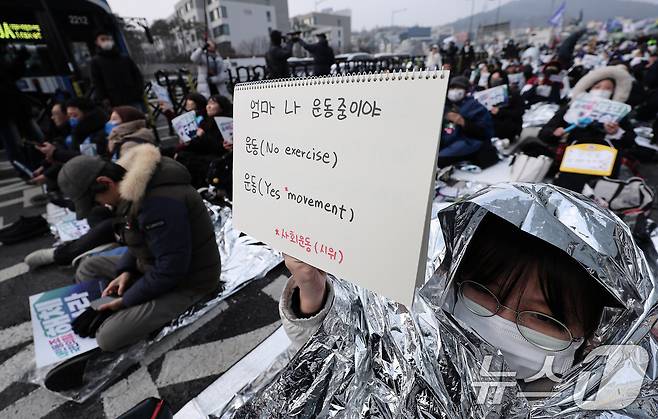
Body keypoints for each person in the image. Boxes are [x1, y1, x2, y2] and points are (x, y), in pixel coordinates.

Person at [227, 183, 653, 417]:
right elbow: (343, 353)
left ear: (592, 337)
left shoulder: (601, 405)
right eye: (484, 292)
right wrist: (312, 290)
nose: (500, 321)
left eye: (543, 319)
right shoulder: (422, 340)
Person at [56, 144, 221, 355]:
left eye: (96, 201)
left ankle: (121, 314)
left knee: (107, 337)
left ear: (104, 182)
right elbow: (139, 242)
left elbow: (172, 270)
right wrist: (126, 271)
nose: (101, 206)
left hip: (190, 281)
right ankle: (123, 306)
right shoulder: (132, 188)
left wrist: (126, 301)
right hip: (155, 265)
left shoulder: (158, 203)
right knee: (88, 267)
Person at [538, 65, 635, 192]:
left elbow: (630, 141)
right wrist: (555, 133)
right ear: (589, 89)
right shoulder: (572, 109)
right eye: (598, 87)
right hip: (573, 165)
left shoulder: (619, 114)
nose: (602, 91)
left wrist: (617, 133)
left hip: (603, 171)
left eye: (608, 88)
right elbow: (544, 133)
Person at [35, 97, 108, 183]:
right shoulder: (76, 132)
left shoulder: (99, 132)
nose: (72, 119)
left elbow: (87, 158)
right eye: (70, 116)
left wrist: (55, 153)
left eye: (75, 115)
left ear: (87, 113)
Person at [438, 76, 497, 168]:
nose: (454, 91)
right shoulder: (445, 105)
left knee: (440, 159)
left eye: (458, 88)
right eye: (452, 87)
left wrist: (463, 122)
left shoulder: (475, 107)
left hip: (470, 143)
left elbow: (485, 133)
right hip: (449, 142)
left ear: (466, 90)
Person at [176, 95, 233, 188]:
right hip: (208, 155)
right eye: (208, 103)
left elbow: (217, 147)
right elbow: (202, 145)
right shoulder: (207, 121)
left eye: (212, 103)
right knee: (181, 155)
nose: (208, 106)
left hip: (220, 159)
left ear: (222, 106)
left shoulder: (227, 122)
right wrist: (189, 142)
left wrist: (203, 136)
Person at [90, 30, 145, 110]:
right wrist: (104, 99)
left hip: (133, 99)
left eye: (108, 39)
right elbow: (97, 82)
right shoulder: (95, 62)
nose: (106, 41)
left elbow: (137, 76)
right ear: (97, 42)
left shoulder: (125, 58)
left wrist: (139, 92)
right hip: (114, 104)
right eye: (103, 39)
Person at [487, 71, 524, 141]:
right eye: (492, 79)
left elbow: (519, 112)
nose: (494, 82)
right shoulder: (488, 95)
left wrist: (500, 111)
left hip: (510, 127)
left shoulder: (513, 94)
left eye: (497, 79)